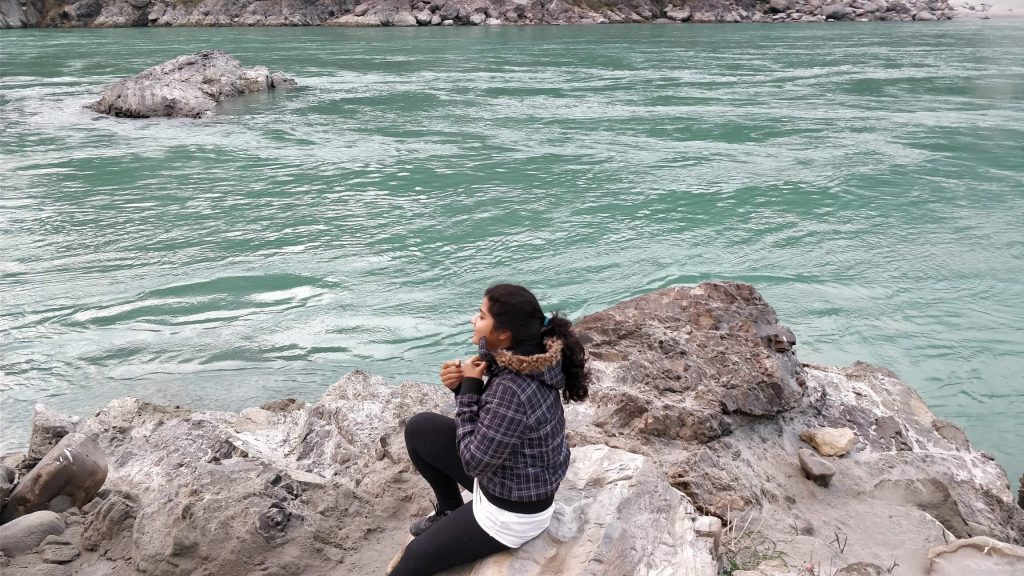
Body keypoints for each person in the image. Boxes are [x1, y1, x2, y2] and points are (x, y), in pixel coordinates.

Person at [387, 284, 590, 576]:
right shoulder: (528, 358)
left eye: (481, 316)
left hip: (510, 513)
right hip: (512, 479)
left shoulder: (514, 388)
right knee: (421, 429)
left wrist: (469, 390)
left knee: (410, 562)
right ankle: (450, 511)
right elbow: (494, 420)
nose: (473, 320)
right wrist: (461, 385)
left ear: (505, 333)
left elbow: (474, 462)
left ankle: (460, 526)